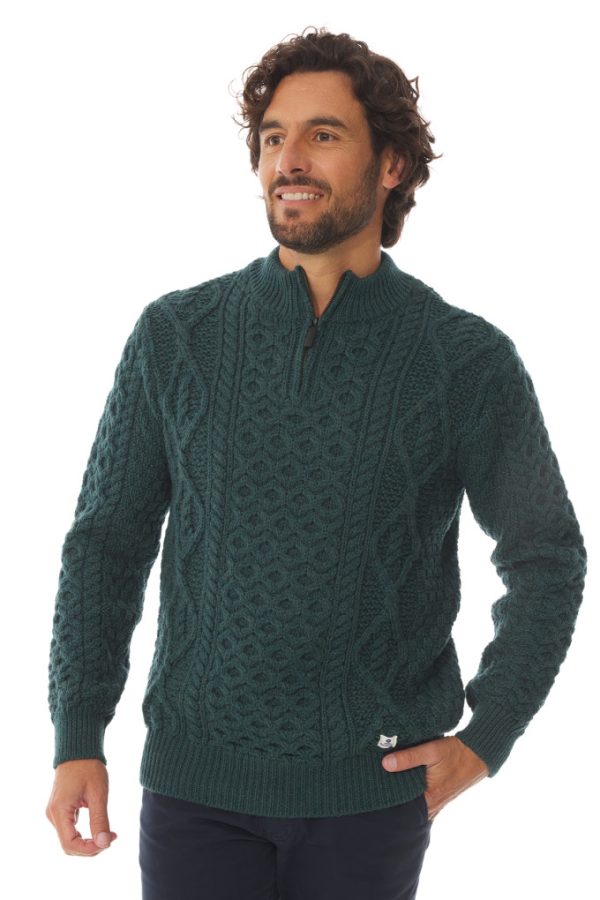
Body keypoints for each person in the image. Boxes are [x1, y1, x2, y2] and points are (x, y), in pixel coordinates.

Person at [45, 25, 587, 900]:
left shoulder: (464, 361)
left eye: (322, 134)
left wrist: (488, 738)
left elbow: (547, 555)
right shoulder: (176, 337)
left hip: (370, 803)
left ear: (392, 165)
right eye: (273, 137)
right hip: (195, 793)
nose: (288, 159)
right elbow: (106, 544)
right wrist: (78, 736)